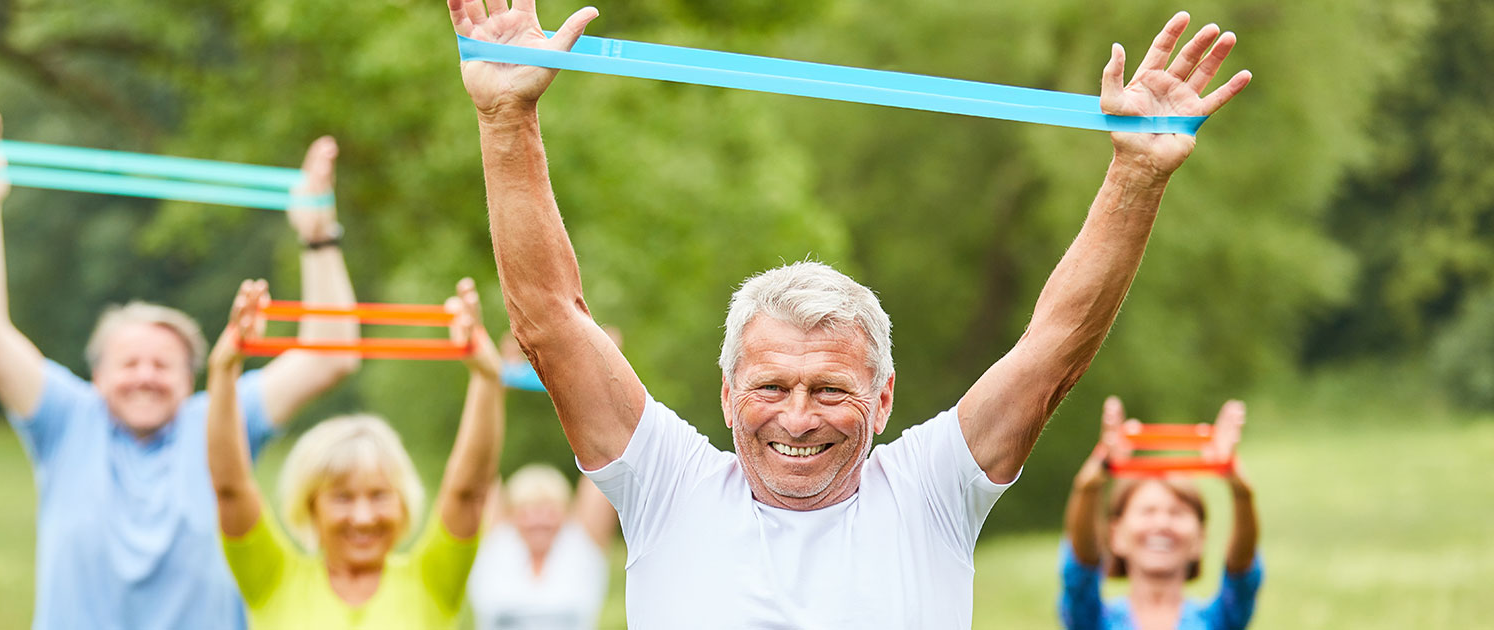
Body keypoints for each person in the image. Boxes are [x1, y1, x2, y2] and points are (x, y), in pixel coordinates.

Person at [446, 1, 1252, 625]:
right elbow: (551, 324)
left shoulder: (930, 491)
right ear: (726, 395)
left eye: (831, 389)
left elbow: (1055, 351)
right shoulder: (668, 485)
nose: (797, 417)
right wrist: (505, 118)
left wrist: (1137, 177)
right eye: (770, 387)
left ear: (885, 398)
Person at [0, 110, 363, 629]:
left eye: (162, 365)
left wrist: (319, 239)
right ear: (97, 376)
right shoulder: (65, 417)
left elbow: (332, 355)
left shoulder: (219, 421)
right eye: (129, 363)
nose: (145, 376)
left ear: (192, 378)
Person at [208, 278, 503, 629]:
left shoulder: (431, 578)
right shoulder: (273, 577)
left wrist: (487, 378)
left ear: (402, 502)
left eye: (379, 495)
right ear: (311, 505)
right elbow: (230, 488)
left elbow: (468, 492)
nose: (363, 517)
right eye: (342, 498)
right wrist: (223, 370)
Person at [1060, 397, 1263, 630]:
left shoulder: (1219, 620)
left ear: (1200, 539)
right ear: (1115, 535)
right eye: (1147, 512)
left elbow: (1242, 572)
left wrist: (1240, 489)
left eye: (1177, 513)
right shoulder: (1092, 619)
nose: (1162, 523)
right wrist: (1092, 480)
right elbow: (1080, 566)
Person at [467, 464, 616, 630]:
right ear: (510, 516)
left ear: (567, 514)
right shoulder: (495, 547)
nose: (538, 520)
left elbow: (603, 464)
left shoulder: (582, 548)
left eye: (549, 511)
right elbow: (477, 470)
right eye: (527, 512)